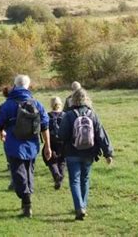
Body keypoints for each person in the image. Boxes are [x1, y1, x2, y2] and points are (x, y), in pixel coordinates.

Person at [0, 75, 51, 218]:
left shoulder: (7, 104)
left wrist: (0, 134)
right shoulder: (37, 104)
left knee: (18, 174)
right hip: (32, 144)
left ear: (14, 85)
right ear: (27, 86)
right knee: (28, 171)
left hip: (14, 145)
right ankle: (26, 201)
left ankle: (26, 201)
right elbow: (45, 126)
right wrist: (47, 146)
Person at [58, 88, 113, 221]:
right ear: (86, 99)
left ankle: (79, 208)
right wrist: (108, 153)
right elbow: (101, 135)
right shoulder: (92, 114)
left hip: (72, 153)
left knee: (75, 180)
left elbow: (62, 135)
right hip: (89, 152)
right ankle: (83, 206)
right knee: (85, 180)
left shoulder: (69, 115)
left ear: (73, 100)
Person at [42, 96, 66, 190]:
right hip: (63, 141)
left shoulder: (47, 115)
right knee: (62, 160)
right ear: (61, 104)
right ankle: (60, 176)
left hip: (51, 141)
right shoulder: (65, 115)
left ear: (51, 105)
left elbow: (44, 128)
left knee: (50, 159)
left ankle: (56, 175)